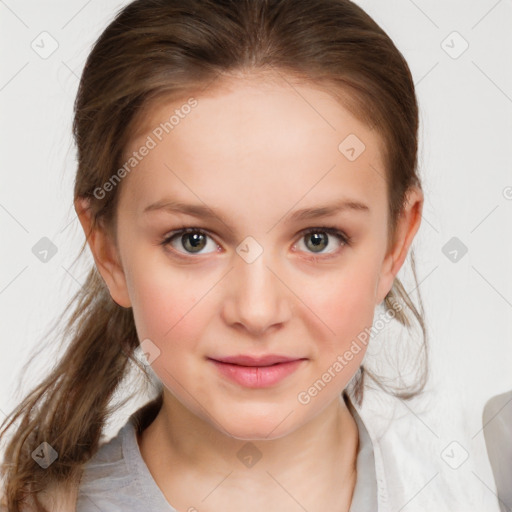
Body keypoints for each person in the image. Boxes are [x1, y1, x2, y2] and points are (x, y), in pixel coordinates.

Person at [0, 0, 495, 511]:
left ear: (396, 242)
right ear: (108, 251)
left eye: (318, 239)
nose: (257, 312)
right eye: (193, 240)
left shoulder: (484, 479)